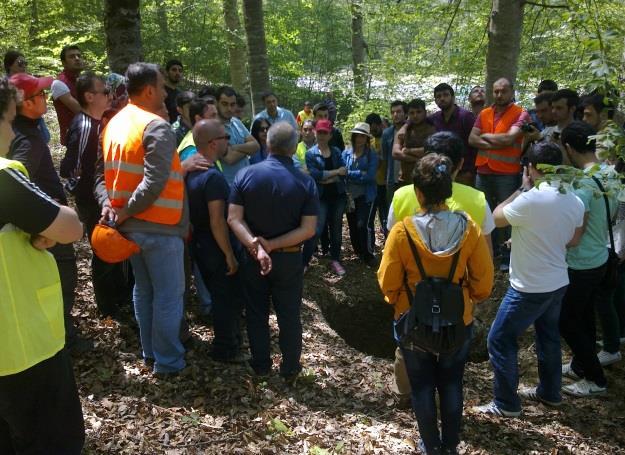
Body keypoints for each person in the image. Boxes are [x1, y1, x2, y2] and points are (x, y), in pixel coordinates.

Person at [378, 153, 493, 455]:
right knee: (452, 383)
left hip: (413, 322)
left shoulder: (402, 231)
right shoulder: (470, 229)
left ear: (417, 192)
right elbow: (483, 283)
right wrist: (469, 297)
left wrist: (397, 302)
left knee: (422, 386)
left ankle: (431, 446)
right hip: (458, 322)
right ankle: (451, 446)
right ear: (449, 189)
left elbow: (387, 281)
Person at [0, 76, 85, 454]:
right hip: (21, 345)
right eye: (8, 122)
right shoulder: (4, 177)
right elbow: (70, 227)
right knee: (52, 439)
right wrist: (46, 229)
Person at [475, 142, 584, 417]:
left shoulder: (531, 198)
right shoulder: (573, 197)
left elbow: (496, 217)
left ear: (531, 169)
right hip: (558, 280)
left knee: (499, 339)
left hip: (528, 288)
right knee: (548, 337)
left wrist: (523, 188)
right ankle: (550, 393)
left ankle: (506, 404)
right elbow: (573, 239)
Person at [94, 62, 188, 376]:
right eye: (162, 87)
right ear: (149, 90)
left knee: (144, 290)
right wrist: (124, 209)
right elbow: (155, 180)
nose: (165, 93)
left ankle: (151, 353)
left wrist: (111, 205)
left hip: (130, 228)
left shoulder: (114, 124)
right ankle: (168, 362)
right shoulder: (155, 125)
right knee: (167, 296)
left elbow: (104, 176)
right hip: (158, 226)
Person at [228, 122, 318, 380]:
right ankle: (290, 368)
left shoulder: (245, 175)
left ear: (267, 143)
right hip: (289, 258)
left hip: (252, 258)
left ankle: (261, 365)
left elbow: (234, 218)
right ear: (293, 148)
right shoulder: (305, 182)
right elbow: (309, 229)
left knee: (256, 312)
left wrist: (257, 247)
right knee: (289, 314)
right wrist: (272, 245)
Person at [9, 72, 90, 353]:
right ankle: (64, 339)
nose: (46, 98)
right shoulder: (25, 139)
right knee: (62, 280)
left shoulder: (26, 130)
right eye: (40, 94)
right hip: (47, 224)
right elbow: (18, 184)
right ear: (25, 104)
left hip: (46, 219)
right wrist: (44, 218)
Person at [60, 72, 132, 319]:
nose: (111, 96)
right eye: (105, 92)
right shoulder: (84, 125)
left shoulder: (101, 122)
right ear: (90, 97)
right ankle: (108, 306)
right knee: (103, 249)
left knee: (114, 247)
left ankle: (120, 296)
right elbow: (69, 167)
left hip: (104, 198)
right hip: (92, 201)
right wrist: (83, 194)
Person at [559, 121, 618, 396]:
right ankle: (582, 365)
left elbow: (575, 232)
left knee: (567, 321)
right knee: (584, 317)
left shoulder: (582, 183)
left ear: (569, 148)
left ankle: (595, 379)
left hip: (581, 262)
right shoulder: (609, 173)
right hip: (602, 255)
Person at [186, 119, 246, 362]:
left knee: (220, 296)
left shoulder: (190, 173)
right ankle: (225, 349)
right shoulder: (213, 178)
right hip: (215, 247)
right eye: (225, 138)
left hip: (199, 245)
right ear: (212, 143)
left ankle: (228, 343)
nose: (229, 141)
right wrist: (229, 254)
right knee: (225, 299)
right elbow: (217, 221)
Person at [469, 77, 530, 271]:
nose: (499, 95)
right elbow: (471, 139)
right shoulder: (485, 113)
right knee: (483, 213)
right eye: (495, 91)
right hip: (483, 171)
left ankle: (507, 255)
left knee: (508, 216)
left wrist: (485, 137)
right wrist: (496, 141)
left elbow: (509, 138)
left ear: (512, 91)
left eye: (503, 91)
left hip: (507, 173)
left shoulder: (521, 113)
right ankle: (490, 251)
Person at [304, 119, 347, 275]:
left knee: (336, 229)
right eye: (319, 132)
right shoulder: (311, 154)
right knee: (317, 229)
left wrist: (327, 177)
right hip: (321, 197)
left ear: (330, 135)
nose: (321, 135)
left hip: (338, 196)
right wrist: (335, 173)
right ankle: (304, 262)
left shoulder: (336, 151)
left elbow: (344, 172)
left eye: (325, 132)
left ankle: (335, 260)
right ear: (315, 133)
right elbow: (315, 175)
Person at [344, 122, 379, 266]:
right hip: (350, 196)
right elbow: (342, 172)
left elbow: (370, 176)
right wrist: (359, 174)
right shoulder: (346, 152)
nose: (359, 139)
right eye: (357, 136)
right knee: (352, 224)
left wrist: (350, 174)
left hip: (366, 195)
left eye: (363, 137)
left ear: (367, 139)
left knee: (362, 224)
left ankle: (368, 254)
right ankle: (358, 251)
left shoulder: (371, 155)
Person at [429, 84, 477, 186]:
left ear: (453, 97)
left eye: (446, 95)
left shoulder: (466, 116)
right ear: (435, 100)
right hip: (441, 172)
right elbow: (417, 119)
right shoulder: (435, 118)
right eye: (438, 96)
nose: (442, 98)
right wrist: (405, 126)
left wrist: (471, 171)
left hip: (464, 172)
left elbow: (475, 145)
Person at [215, 85, 259, 185]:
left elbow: (256, 146)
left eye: (232, 104)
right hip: (229, 186)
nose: (229, 108)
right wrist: (248, 149)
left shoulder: (236, 122)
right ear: (217, 103)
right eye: (224, 104)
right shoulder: (213, 127)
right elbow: (230, 158)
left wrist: (234, 147)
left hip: (247, 182)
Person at [3, 49, 50, 143]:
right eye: (20, 63)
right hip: (17, 129)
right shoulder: (5, 84)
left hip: (35, 125)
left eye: (25, 63)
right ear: (9, 65)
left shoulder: (29, 80)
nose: (24, 66)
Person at [393, 99, 435, 187]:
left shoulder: (432, 130)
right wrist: (418, 159)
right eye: (412, 113)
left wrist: (408, 150)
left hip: (425, 179)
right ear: (408, 114)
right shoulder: (403, 131)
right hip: (404, 179)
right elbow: (395, 153)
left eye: (419, 112)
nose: (415, 115)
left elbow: (431, 152)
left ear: (425, 112)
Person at [51, 45, 83, 146]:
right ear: (64, 63)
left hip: (88, 132)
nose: (77, 58)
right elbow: (80, 111)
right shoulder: (59, 83)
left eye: (78, 55)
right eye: (72, 56)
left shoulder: (82, 80)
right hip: (74, 137)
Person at [366, 112, 388, 240]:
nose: (373, 131)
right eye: (370, 129)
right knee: (370, 217)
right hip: (374, 185)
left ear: (380, 125)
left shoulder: (388, 140)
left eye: (374, 128)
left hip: (386, 184)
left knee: (385, 217)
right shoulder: (371, 142)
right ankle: (371, 247)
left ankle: (388, 243)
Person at [178, 96, 218, 161]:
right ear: (198, 119)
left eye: (217, 115)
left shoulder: (204, 141)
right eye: (213, 116)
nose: (217, 121)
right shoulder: (192, 150)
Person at [382, 100, 407, 205]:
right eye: (393, 112)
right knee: (392, 210)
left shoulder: (412, 130)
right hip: (392, 179)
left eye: (398, 111)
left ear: (405, 113)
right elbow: (385, 157)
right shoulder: (387, 133)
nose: (395, 115)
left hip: (408, 179)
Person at [164, 59, 183, 123]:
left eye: (180, 71)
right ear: (166, 72)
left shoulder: (180, 94)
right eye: (174, 70)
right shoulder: (160, 91)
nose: (177, 73)